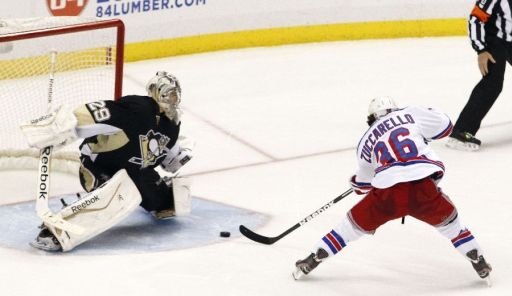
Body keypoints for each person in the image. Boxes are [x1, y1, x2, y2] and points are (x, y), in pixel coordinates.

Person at [293, 97, 492, 283]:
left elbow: (364, 183)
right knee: (451, 226)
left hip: (388, 194)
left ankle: (314, 258)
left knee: (349, 228)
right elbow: (446, 126)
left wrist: (355, 182)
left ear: (371, 118)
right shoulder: (411, 113)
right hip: (422, 187)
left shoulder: (365, 140)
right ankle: (477, 258)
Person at [20, 71, 193, 252]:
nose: (174, 100)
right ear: (157, 92)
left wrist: (181, 153)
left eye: (176, 95)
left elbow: (168, 160)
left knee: (169, 203)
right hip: (99, 166)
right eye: (170, 93)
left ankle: (154, 196)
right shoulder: (138, 109)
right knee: (118, 194)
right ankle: (57, 232)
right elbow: (94, 113)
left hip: (137, 171)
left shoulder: (172, 126)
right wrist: (61, 126)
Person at [447, 0, 512, 151]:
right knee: (492, 84)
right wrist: (481, 50)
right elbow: (476, 18)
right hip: (494, 41)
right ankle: (461, 131)